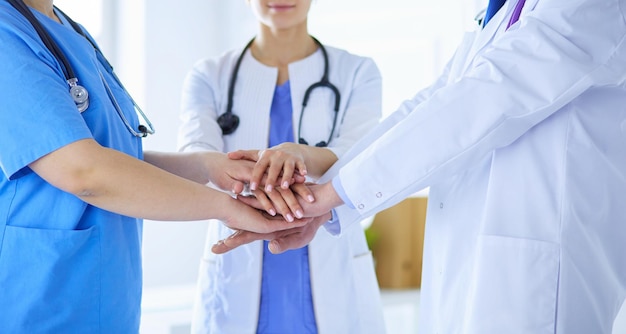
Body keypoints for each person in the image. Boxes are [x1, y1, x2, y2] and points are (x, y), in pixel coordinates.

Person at [215, 0, 626, 333]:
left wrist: (331, 196)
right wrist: (332, 199)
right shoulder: (498, 11)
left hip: (534, 277)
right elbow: (432, 103)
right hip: (469, 274)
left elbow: (482, 100)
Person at [0, 1, 311, 333]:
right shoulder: (7, 32)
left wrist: (205, 166)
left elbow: (115, 158)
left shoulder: (66, 28)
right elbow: (84, 171)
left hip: (102, 303)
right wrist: (227, 208)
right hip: (41, 302)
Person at [177, 0, 386, 333]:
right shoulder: (209, 75)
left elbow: (360, 154)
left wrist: (296, 154)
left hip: (331, 266)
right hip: (237, 274)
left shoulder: (358, 71)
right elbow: (196, 157)